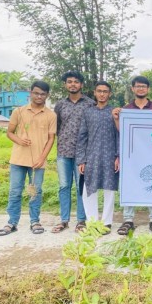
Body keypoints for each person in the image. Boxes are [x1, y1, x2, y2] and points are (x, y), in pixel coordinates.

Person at [0, 81, 56, 236]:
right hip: (18, 160)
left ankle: (35, 221)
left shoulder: (51, 115)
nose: (39, 96)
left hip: (38, 161)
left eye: (43, 94)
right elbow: (9, 132)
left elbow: (51, 139)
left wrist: (43, 158)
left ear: (47, 95)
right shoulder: (19, 111)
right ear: (30, 92)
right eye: (36, 93)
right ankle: (12, 222)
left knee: (35, 192)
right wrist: (19, 140)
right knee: (15, 191)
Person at [112, 76, 152, 234]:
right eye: (137, 86)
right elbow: (122, 132)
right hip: (131, 155)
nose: (141, 89)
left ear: (148, 89)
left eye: (143, 86)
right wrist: (116, 118)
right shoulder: (126, 109)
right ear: (133, 89)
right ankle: (128, 220)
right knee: (129, 184)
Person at [52, 71, 94, 234]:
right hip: (63, 151)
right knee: (64, 186)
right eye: (69, 82)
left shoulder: (90, 104)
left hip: (82, 154)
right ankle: (64, 220)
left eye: (76, 82)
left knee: (80, 187)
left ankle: (81, 220)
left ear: (81, 84)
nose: (73, 84)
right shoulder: (60, 105)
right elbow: (57, 127)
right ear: (65, 85)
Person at [76, 81, 119, 234]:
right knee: (89, 189)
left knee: (109, 190)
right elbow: (82, 136)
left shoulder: (115, 112)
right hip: (91, 156)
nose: (102, 94)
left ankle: (107, 223)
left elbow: (119, 135)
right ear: (94, 92)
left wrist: (118, 156)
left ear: (110, 94)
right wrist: (81, 159)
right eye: (99, 91)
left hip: (110, 156)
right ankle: (92, 222)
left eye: (105, 91)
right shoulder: (88, 112)